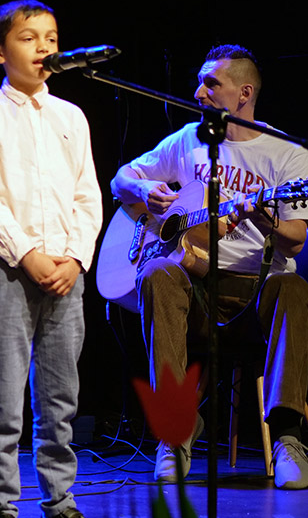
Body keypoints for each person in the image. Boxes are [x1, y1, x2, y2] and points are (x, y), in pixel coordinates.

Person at [110, 44, 308, 490]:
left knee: (294, 287)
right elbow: (121, 178)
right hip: (196, 290)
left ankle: (288, 437)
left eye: (211, 83)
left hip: (256, 296)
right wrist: (144, 192)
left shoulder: (287, 152)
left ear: (244, 93)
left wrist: (262, 217)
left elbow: (296, 238)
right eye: (199, 82)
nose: (198, 92)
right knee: (157, 273)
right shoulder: (187, 140)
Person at [0, 0, 102, 518]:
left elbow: (88, 195)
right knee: (2, 398)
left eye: (52, 37)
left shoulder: (71, 116)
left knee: (60, 398)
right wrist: (28, 254)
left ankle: (59, 502)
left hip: (65, 271)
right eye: (29, 38)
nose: (44, 47)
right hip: (5, 270)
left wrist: (76, 258)